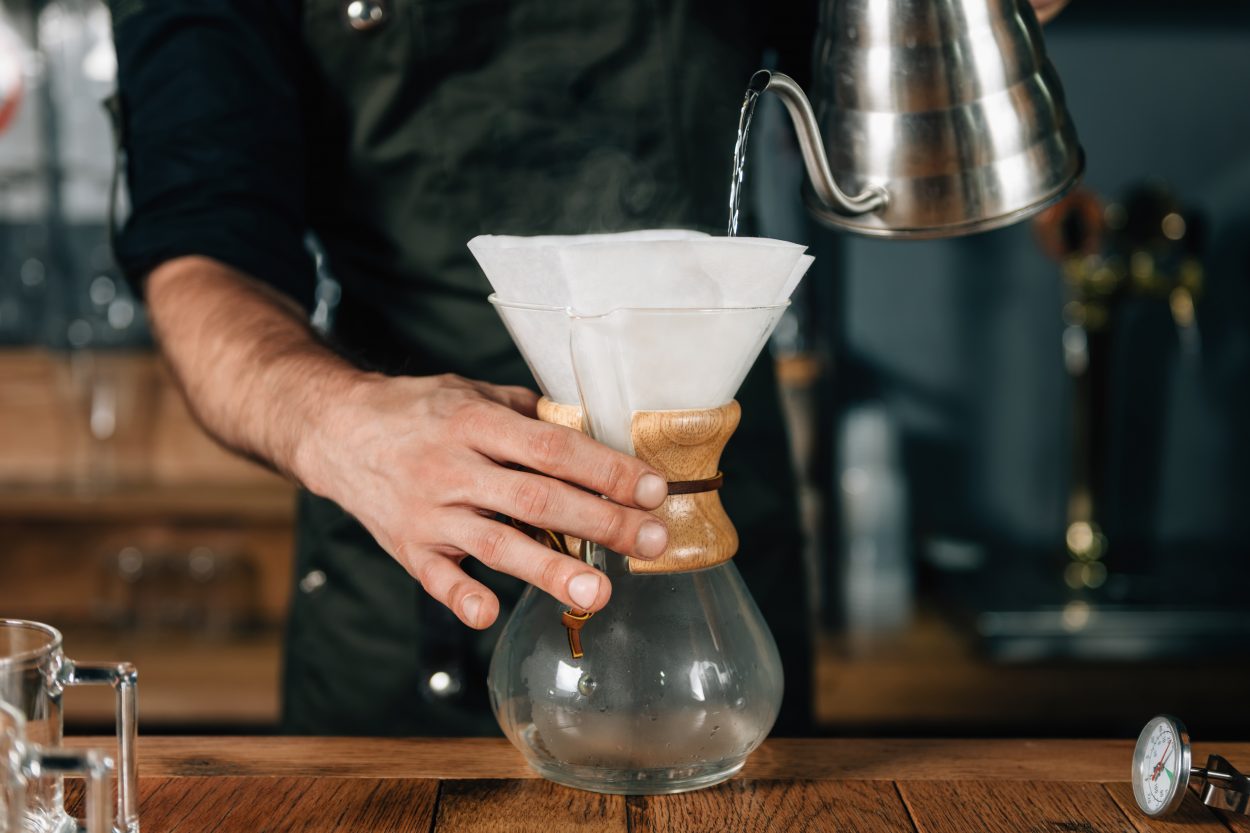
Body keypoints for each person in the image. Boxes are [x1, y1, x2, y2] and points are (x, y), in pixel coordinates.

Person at [110, 0, 1067, 736]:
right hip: (400, 572)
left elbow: (870, 35)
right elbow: (201, 255)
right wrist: (340, 424)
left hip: (716, 567)